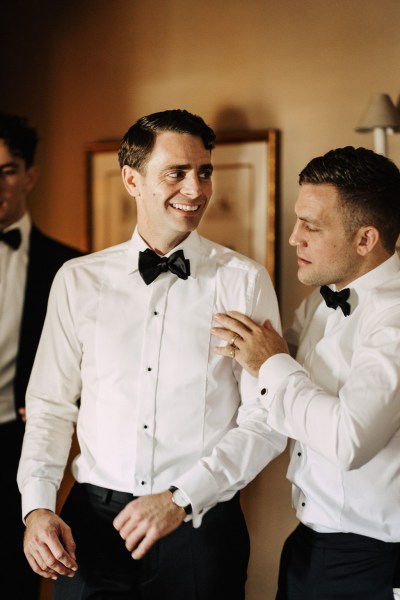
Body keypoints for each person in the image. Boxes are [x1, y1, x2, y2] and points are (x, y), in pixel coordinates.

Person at [17, 109, 285, 600]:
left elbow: (266, 418)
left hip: (202, 530)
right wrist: (36, 508)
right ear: (132, 179)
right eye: (176, 173)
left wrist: (182, 499)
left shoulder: (244, 281)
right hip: (91, 530)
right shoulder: (78, 280)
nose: (196, 188)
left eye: (204, 171)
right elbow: (51, 407)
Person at [212, 145, 400, 599]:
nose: (295, 237)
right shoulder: (319, 301)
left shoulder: (394, 319)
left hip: (375, 560)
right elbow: (266, 376)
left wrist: (272, 362)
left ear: (365, 239)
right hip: (308, 546)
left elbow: (348, 440)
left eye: (311, 227)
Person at [0, 111, 82, 599]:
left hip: (18, 447)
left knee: (14, 582)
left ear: (30, 175)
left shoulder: (68, 269)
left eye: (7, 170)